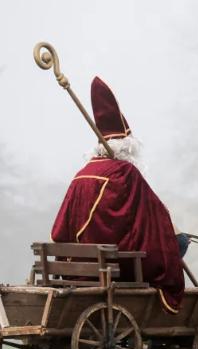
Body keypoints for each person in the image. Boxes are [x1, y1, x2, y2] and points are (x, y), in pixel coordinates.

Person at [51, 76, 186, 314]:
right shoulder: (125, 172)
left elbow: (60, 230)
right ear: (127, 146)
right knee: (180, 242)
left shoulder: (82, 174)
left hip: (78, 268)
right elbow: (155, 215)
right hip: (117, 266)